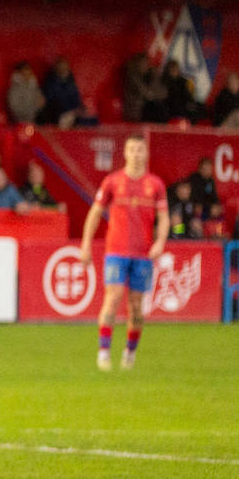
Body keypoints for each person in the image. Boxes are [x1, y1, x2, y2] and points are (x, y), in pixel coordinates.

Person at [79, 134, 168, 372]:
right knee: (113, 296)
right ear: (125, 153)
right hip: (116, 250)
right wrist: (86, 244)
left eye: (140, 150)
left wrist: (160, 242)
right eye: (132, 150)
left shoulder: (155, 185)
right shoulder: (112, 182)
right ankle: (103, 352)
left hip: (142, 254)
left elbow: (164, 217)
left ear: (145, 154)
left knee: (136, 306)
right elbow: (95, 213)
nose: (136, 154)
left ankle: (129, 353)